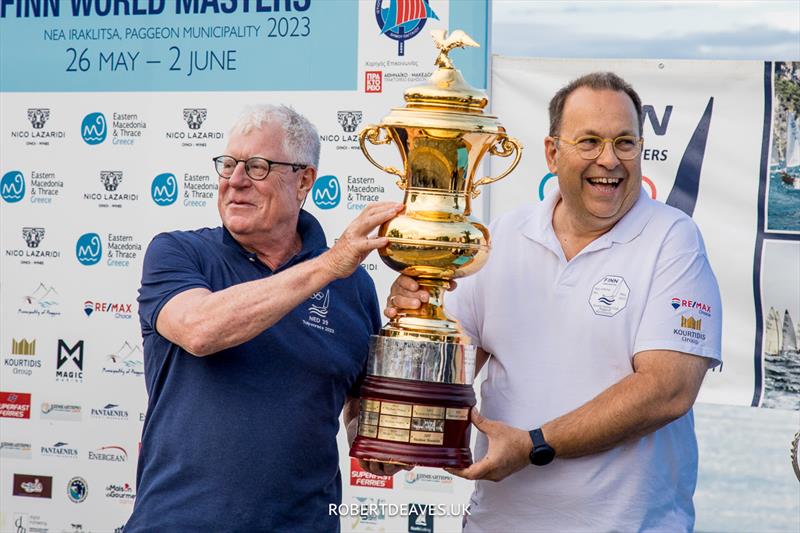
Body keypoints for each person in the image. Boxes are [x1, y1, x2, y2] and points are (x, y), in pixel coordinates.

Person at [385, 72, 722, 532]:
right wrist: (422, 312)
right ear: (551, 152)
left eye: (625, 142)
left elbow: (668, 390)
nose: (610, 160)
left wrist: (535, 445)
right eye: (589, 141)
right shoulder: (500, 236)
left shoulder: (673, 239)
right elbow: (454, 365)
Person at [125, 104, 403, 532]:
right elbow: (201, 330)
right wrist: (328, 266)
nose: (234, 181)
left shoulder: (353, 288)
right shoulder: (179, 253)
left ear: (304, 180)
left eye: (256, 167)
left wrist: (390, 437)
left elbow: (364, 431)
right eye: (229, 164)